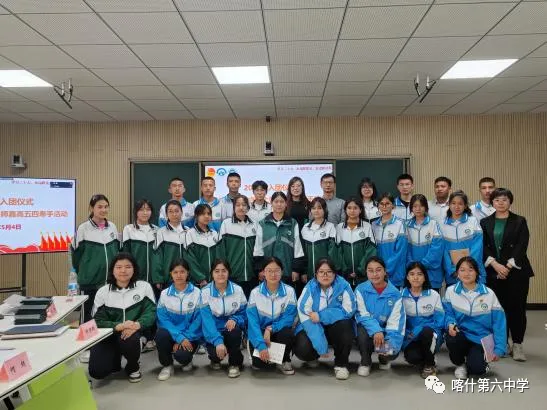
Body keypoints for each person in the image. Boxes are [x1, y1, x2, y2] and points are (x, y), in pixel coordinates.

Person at [481, 188, 534, 362]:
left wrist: (508, 266)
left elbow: (522, 245)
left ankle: (517, 344)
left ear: (510, 201)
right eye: (497, 200)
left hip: (517, 271)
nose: (501, 203)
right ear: (492, 202)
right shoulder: (485, 222)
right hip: (493, 271)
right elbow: (484, 246)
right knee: (498, 309)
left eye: (504, 199)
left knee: (517, 309)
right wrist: (496, 265)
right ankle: (501, 343)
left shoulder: (519, 221)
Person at [88, 253, 156, 383]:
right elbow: (96, 321)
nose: (123, 270)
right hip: (109, 335)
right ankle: (115, 358)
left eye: (128, 267)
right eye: (118, 267)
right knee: (97, 371)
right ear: (112, 270)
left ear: (134, 269)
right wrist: (118, 326)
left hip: (134, 333)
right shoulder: (103, 292)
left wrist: (137, 325)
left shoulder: (144, 287)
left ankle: (133, 366)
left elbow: (151, 313)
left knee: (129, 339)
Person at [444, 257, 507, 379]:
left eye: (470, 269)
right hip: (461, 335)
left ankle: (478, 362)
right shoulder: (451, 291)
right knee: (452, 337)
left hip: (481, 339)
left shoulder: (489, 294)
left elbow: (499, 323)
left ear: (477, 272)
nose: (466, 273)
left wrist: (499, 348)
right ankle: (460, 364)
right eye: (462, 270)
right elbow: (448, 313)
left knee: (477, 369)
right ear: (457, 273)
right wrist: (450, 323)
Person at [294, 259, 356, 380]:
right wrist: (321, 346)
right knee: (302, 347)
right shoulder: (310, 287)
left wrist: (321, 316)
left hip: (336, 327)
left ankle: (341, 365)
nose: (325, 275)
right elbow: (304, 313)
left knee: (345, 326)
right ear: (316, 274)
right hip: (314, 325)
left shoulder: (344, 285)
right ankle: (313, 357)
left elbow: (349, 310)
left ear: (335, 274)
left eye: (329, 272)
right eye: (321, 272)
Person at [71, 194, 119, 326]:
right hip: (89, 283)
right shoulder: (83, 228)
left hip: (109, 282)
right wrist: (86, 272)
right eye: (100, 207)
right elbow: (76, 256)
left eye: (106, 207)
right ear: (92, 208)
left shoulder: (112, 227)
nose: (103, 210)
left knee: (106, 316)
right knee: (88, 317)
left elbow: (117, 252)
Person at [354, 257, 405, 377]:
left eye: (378, 270)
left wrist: (390, 344)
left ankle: (383, 359)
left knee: (389, 351)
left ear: (385, 271)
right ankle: (365, 362)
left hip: (386, 333)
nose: (374, 274)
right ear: (366, 272)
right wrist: (376, 330)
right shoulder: (360, 290)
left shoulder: (395, 294)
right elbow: (361, 315)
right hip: (368, 329)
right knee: (361, 330)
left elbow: (396, 324)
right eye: (370, 270)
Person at [246, 257, 297, 375]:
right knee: (259, 365)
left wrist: (271, 329)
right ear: (263, 272)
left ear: (282, 272)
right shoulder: (255, 293)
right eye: (269, 271)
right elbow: (252, 322)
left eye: (277, 270)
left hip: (278, 331)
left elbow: (289, 318)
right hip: (260, 334)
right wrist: (261, 346)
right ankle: (261, 353)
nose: (273, 274)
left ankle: (285, 360)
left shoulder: (289, 291)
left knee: (287, 333)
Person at [121, 198, 159, 352]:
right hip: (136, 278)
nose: (145, 212)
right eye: (141, 209)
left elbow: (158, 255)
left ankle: (151, 338)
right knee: (137, 308)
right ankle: (139, 337)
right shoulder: (129, 229)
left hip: (153, 279)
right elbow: (125, 254)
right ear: (136, 212)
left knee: (152, 307)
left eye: (148, 209)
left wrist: (157, 276)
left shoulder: (156, 230)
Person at [155, 259, 202, 381]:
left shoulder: (197, 293)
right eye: (175, 272)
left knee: (182, 356)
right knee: (160, 334)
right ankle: (167, 365)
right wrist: (179, 338)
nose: (179, 275)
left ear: (188, 273)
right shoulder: (164, 294)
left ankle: (187, 360)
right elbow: (163, 320)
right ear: (171, 274)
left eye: (182, 272)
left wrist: (185, 337)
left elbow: (198, 320)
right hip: (173, 334)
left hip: (190, 336)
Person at [201, 259, 247, 378]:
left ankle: (234, 364)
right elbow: (207, 320)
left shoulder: (238, 290)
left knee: (234, 331)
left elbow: (244, 313)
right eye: (217, 271)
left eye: (224, 271)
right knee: (215, 354)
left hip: (231, 328)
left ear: (228, 272)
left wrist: (235, 319)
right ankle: (215, 359)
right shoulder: (205, 292)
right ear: (212, 273)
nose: (220, 274)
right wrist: (218, 342)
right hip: (214, 330)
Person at [401, 262, 444, 378]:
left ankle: (430, 364)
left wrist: (419, 329)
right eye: (412, 274)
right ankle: (427, 356)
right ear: (407, 277)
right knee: (412, 357)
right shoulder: (400, 296)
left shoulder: (434, 295)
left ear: (425, 277)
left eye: (419, 274)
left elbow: (439, 322)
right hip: (411, 337)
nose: (415, 277)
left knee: (426, 332)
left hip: (430, 334)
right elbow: (399, 322)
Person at [257, 191, 306, 295]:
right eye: (276, 201)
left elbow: (298, 248)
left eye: (282, 201)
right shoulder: (263, 223)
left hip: (287, 270)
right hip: (268, 272)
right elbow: (258, 248)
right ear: (271, 203)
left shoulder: (293, 223)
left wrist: (296, 269)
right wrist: (260, 269)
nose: (279, 204)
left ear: (286, 204)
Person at [218, 194, 262, 299]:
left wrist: (259, 270)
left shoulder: (255, 225)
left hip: (251, 275)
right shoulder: (226, 224)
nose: (241, 207)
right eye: (238, 205)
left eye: (244, 205)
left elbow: (259, 250)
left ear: (248, 207)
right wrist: (224, 271)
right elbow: (221, 251)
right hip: (232, 275)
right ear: (234, 207)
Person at [439, 190, 486, 286]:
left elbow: (477, 249)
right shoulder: (442, 224)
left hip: (473, 272)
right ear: (448, 204)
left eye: (460, 204)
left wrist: (468, 269)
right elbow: (443, 252)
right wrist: (453, 270)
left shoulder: (473, 221)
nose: (456, 207)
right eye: (453, 203)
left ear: (465, 206)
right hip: (453, 275)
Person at [335, 197, 376, 287]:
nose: (352, 211)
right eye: (349, 208)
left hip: (363, 276)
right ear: (345, 210)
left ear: (360, 210)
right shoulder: (339, 227)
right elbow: (337, 252)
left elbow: (371, 250)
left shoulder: (367, 227)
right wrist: (346, 270)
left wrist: (360, 270)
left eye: (355, 208)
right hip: (345, 276)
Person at [406, 194, 444, 292]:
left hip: (432, 275)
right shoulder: (406, 225)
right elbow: (405, 249)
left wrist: (422, 265)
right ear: (411, 208)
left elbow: (437, 249)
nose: (418, 209)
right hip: (413, 274)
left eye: (421, 206)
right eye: (415, 206)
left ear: (426, 207)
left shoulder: (433, 224)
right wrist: (413, 266)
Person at [371, 193, 408, 288]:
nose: (384, 206)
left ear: (393, 205)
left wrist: (386, 269)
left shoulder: (400, 224)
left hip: (395, 273)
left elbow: (400, 251)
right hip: (377, 273)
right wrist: (378, 269)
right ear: (378, 206)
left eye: (387, 203)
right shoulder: (373, 225)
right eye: (381, 204)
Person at [301, 197, 337, 284]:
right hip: (309, 274)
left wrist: (329, 271)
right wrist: (303, 271)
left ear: (325, 210)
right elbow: (302, 253)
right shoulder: (305, 227)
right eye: (313, 208)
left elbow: (332, 253)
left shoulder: (330, 227)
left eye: (319, 208)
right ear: (310, 210)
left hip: (325, 274)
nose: (316, 211)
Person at [153, 200, 187, 291]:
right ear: (166, 215)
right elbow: (157, 257)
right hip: (168, 279)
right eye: (170, 211)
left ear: (181, 213)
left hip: (187, 279)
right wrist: (158, 278)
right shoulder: (161, 232)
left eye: (177, 211)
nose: (174, 214)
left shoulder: (188, 231)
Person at [185, 204, 219, 287]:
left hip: (214, 280)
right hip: (197, 282)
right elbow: (190, 259)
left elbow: (218, 258)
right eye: (203, 214)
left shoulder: (214, 233)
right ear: (196, 216)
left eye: (209, 214)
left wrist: (217, 275)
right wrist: (201, 278)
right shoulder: (190, 233)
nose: (206, 216)